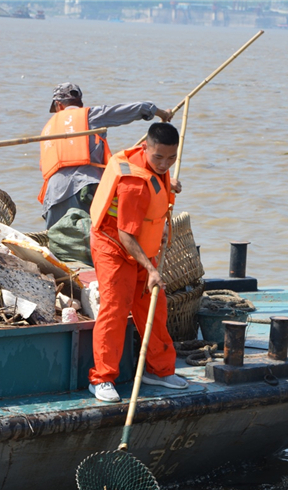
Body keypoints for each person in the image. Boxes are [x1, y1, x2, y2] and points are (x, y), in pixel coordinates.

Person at [87, 122, 188, 402]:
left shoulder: (157, 168)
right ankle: (102, 378)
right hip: (114, 245)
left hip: (141, 247)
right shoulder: (133, 186)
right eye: (158, 157)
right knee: (115, 308)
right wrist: (151, 268)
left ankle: (159, 370)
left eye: (171, 158)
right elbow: (125, 234)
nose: (165, 164)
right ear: (146, 148)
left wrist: (169, 184)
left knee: (155, 307)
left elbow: (156, 184)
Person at [38, 82, 173, 229]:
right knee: (93, 240)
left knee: (58, 243)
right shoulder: (90, 115)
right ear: (80, 103)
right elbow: (139, 108)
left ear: (58, 105)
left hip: (53, 197)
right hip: (85, 188)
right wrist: (162, 114)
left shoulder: (47, 129)